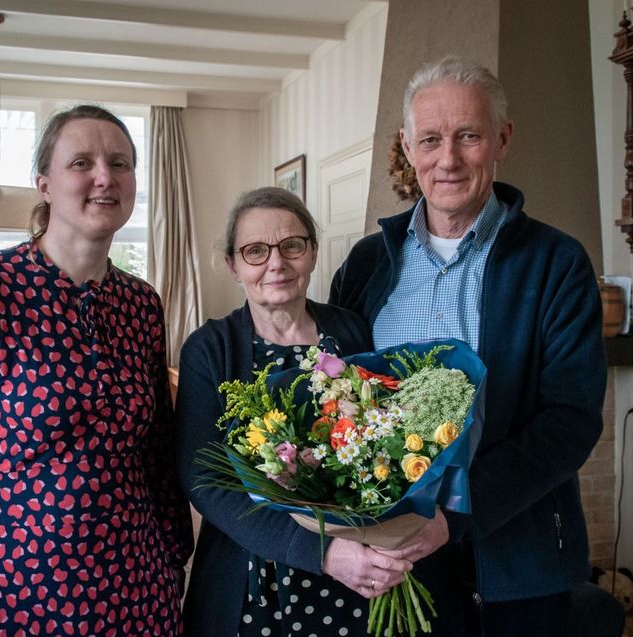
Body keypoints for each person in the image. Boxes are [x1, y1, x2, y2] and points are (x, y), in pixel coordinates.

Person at [0, 104, 193, 636]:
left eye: (120, 164)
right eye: (82, 162)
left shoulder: (141, 303)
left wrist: (174, 554)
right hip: (10, 587)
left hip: (136, 588)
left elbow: (156, 449)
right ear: (45, 185)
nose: (105, 176)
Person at [330, 56, 607, 636]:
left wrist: (456, 512)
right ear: (408, 147)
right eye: (430, 139)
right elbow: (342, 401)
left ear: (502, 138)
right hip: (398, 564)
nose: (447, 159)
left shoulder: (556, 263)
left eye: (468, 136)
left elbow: (570, 421)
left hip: (522, 561)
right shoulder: (364, 266)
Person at [175, 187, 464, 637]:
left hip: (361, 573)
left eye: (292, 245)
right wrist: (322, 552)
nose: (276, 263)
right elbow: (205, 480)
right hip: (257, 579)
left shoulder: (350, 330)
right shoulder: (210, 349)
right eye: (255, 251)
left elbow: (383, 447)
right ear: (233, 265)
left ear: (311, 252)